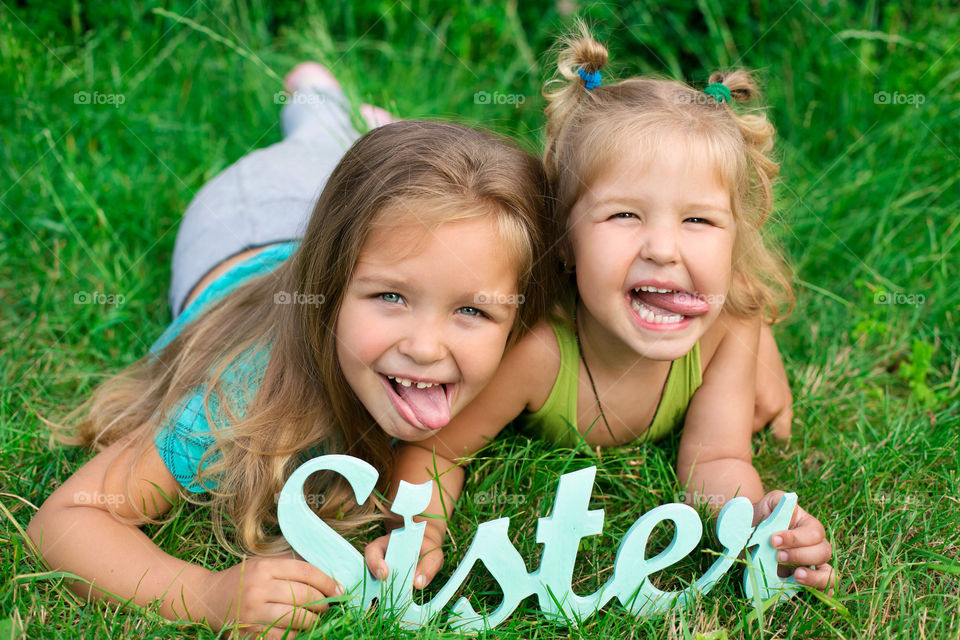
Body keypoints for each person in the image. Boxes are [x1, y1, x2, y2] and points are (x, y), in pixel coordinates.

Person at [26, 63, 553, 639]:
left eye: (471, 311)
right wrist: (206, 595)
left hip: (344, 221)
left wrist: (417, 526)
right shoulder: (240, 393)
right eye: (390, 297)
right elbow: (66, 519)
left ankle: (366, 134)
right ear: (325, 294)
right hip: (245, 215)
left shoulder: (514, 351)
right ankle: (317, 95)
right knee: (317, 137)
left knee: (376, 178)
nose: (426, 347)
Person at [365, 25, 834, 599]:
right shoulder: (538, 349)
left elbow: (717, 456)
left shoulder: (727, 333)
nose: (663, 248)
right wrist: (421, 530)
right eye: (624, 216)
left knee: (759, 350)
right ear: (564, 238)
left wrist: (759, 527)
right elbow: (438, 449)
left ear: (736, 239)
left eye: (699, 221)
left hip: (745, 321)